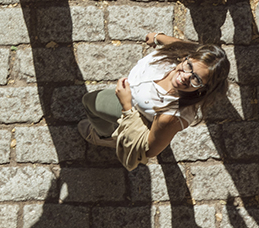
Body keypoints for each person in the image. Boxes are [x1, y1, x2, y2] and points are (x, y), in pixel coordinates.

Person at [78, 32, 230, 170]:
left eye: (196, 79)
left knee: (90, 102)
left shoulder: (172, 115)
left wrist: (126, 105)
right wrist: (158, 37)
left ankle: (103, 136)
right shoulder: (187, 54)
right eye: (189, 66)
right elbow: (180, 44)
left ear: (203, 89)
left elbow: (150, 150)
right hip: (131, 97)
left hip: (133, 108)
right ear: (187, 57)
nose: (186, 76)